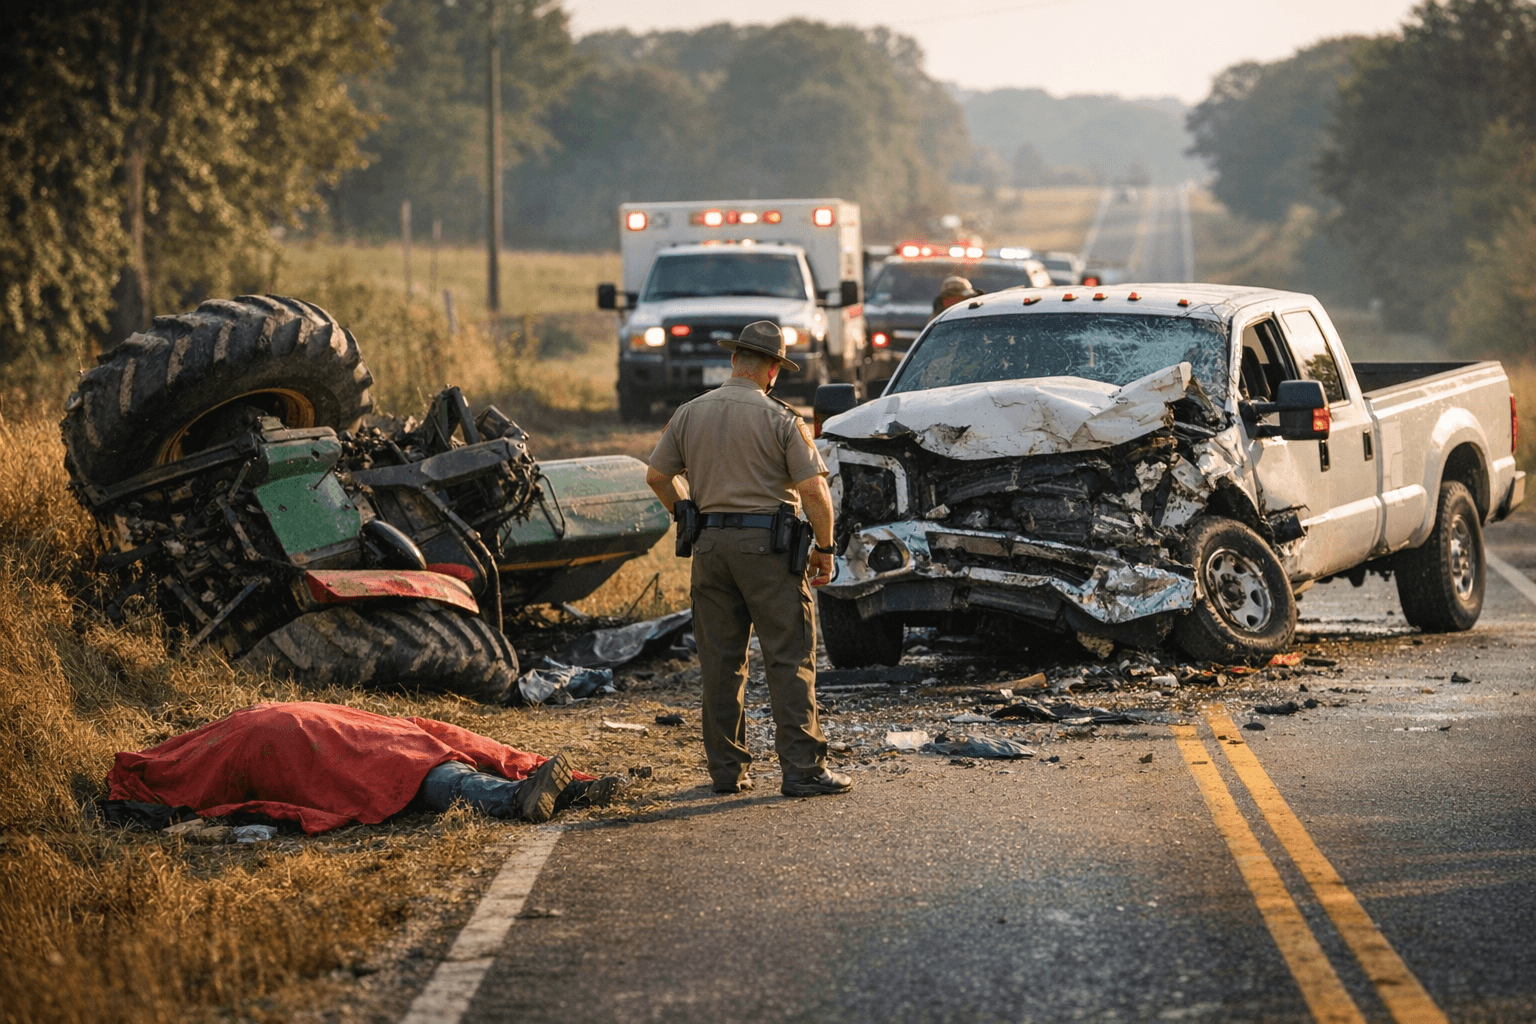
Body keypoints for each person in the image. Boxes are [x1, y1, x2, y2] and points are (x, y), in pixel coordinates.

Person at [645, 321, 853, 799]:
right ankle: (802, 771)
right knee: (788, 656)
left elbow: (657, 475)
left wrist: (686, 513)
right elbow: (813, 489)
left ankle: (726, 772)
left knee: (720, 663)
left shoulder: (690, 412)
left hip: (710, 550)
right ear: (774, 370)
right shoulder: (782, 419)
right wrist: (824, 549)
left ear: (734, 360)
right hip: (769, 552)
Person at [105, 701, 623, 833]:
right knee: (421, 769)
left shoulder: (184, 765)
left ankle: (541, 792)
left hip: (314, 741)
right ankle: (529, 793)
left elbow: (235, 801)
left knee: (416, 774)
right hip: (318, 736)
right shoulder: (211, 742)